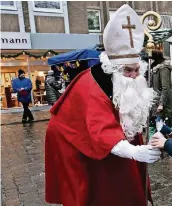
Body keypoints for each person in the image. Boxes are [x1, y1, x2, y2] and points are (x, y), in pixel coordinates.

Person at [44, 5, 161, 206]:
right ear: (113, 69)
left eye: (136, 71)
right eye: (128, 71)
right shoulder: (92, 86)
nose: (134, 76)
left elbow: (127, 119)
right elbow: (101, 131)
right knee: (100, 191)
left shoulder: (122, 83)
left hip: (107, 141)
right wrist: (134, 152)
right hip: (79, 147)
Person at [149, 50, 172, 125]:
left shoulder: (163, 69)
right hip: (155, 101)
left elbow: (165, 87)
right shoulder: (154, 69)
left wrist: (161, 104)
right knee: (156, 126)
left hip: (161, 104)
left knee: (161, 127)